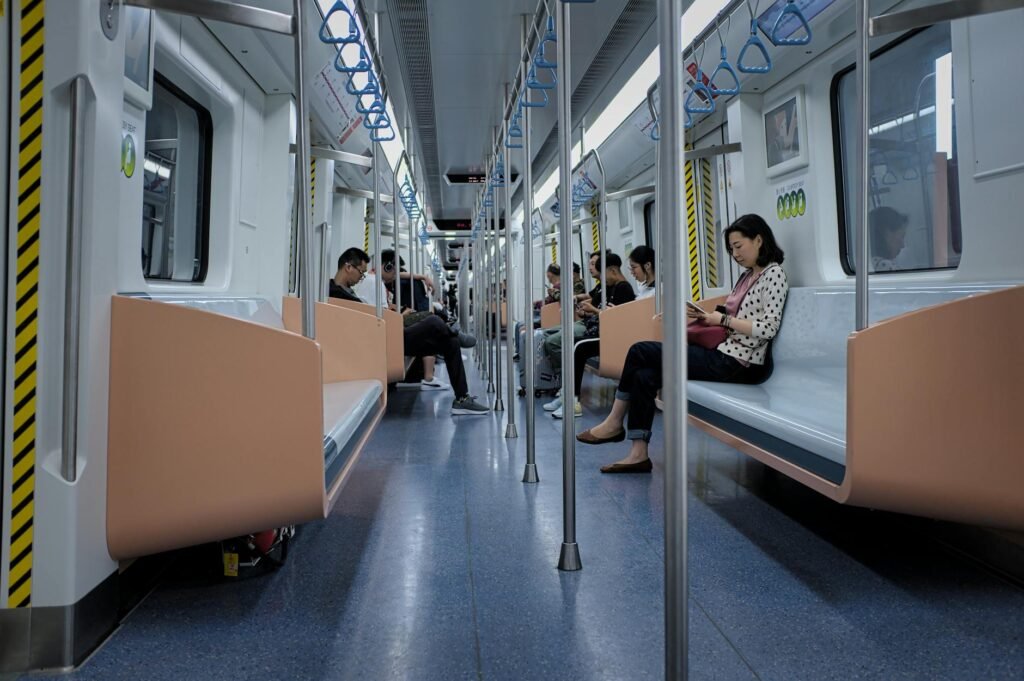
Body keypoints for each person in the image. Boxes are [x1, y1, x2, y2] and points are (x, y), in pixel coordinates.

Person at [576, 214, 789, 473]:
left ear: (758, 239)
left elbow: (767, 329)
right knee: (645, 375)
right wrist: (698, 315)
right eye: (731, 249)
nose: (735, 254)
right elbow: (732, 314)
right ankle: (638, 454)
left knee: (640, 350)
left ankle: (614, 421)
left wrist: (720, 319)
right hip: (722, 351)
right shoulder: (747, 277)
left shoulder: (774, 275)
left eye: (738, 246)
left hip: (739, 362)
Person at [331, 248, 489, 415]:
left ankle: (462, 399)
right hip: (382, 339)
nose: (361, 278)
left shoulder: (349, 290)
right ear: (348, 267)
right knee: (433, 320)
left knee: (451, 343)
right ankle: (453, 330)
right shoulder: (335, 292)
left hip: (388, 332)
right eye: (360, 273)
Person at [547, 252, 636, 419]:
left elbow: (617, 320)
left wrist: (594, 311)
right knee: (571, 343)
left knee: (578, 347)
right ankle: (567, 396)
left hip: (613, 335)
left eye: (603, 274)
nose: (602, 279)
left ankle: (573, 402)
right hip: (602, 330)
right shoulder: (612, 287)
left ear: (612, 271)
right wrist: (589, 313)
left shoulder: (624, 289)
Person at [869, 206, 908, 272]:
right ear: (887, 234)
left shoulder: (868, 265)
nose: (902, 245)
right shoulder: (887, 267)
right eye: (902, 236)